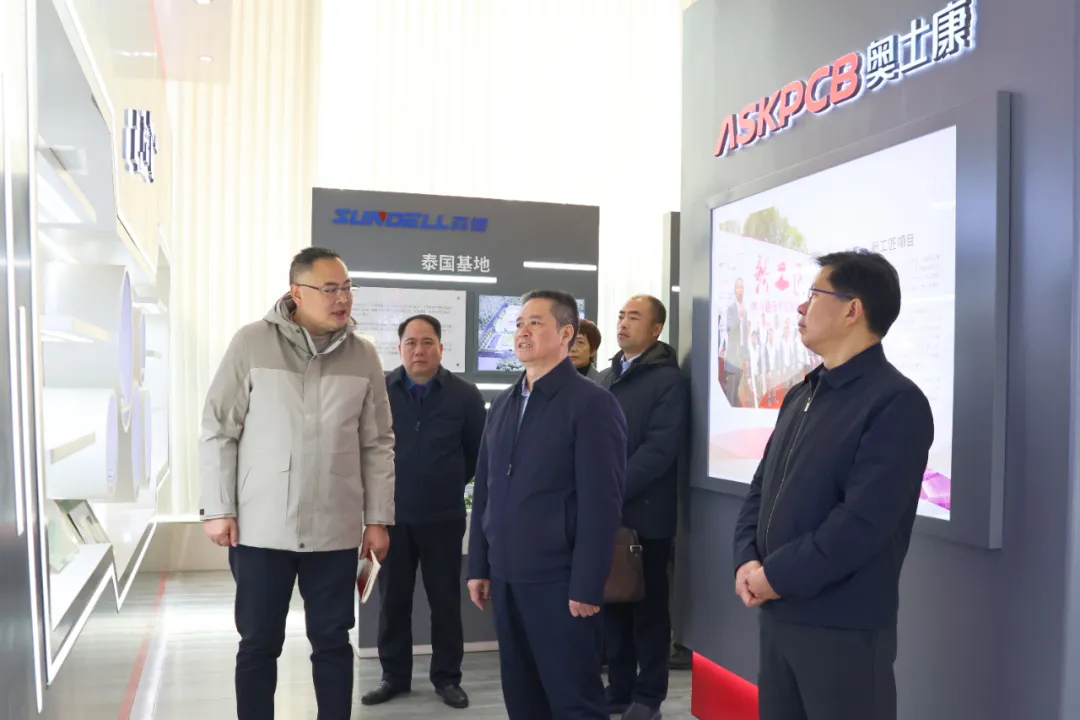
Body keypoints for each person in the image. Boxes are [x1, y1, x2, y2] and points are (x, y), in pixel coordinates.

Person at [732, 249, 934, 720]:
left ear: (852, 309)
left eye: (814, 294)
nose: (801, 306)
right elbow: (760, 489)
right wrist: (746, 558)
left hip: (843, 628)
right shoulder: (803, 393)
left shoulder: (896, 402)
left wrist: (775, 576)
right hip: (779, 617)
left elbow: (861, 524)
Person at [199, 247, 395, 720]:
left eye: (346, 288)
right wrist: (218, 508)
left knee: (332, 641)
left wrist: (378, 519)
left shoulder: (363, 355)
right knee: (258, 642)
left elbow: (377, 443)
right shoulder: (251, 343)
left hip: (334, 530)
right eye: (330, 289)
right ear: (297, 292)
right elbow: (219, 429)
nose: (342, 298)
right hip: (261, 528)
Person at [466, 289, 627, 720]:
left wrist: (587, 584)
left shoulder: (592, 404)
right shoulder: (503, 402)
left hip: (560, 581)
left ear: (566, 333)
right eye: (519, 323)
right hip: (507, 577)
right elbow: (486, 490)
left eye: (535, 323)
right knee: (522, 697)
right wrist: (479, 565)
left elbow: (602, 504)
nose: (523, 331)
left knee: (574, 700)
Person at [362, 314, 486, 710]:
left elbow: (475, 454)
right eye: (411, 343)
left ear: (440, 348)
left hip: (443, 518)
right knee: (392, 601)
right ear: (400, 349)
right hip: (390, 518)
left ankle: (447, 678)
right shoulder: (380, 389)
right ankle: (394, 677)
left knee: (445, 603)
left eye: (427, 342)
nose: (419, 350)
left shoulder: (465, 395)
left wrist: (443, 482)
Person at [597, 295, 688, 720]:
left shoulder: (668, 381)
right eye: (621, 315)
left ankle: (649, 697)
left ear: (655, 329)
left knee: (648, 612)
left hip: (647, 518)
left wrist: (609, 488)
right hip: (606, 516)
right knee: (612, 605)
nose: (623, 322)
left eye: (634, 317)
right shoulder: (605, 377)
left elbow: (659, 450)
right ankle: (618, 690)